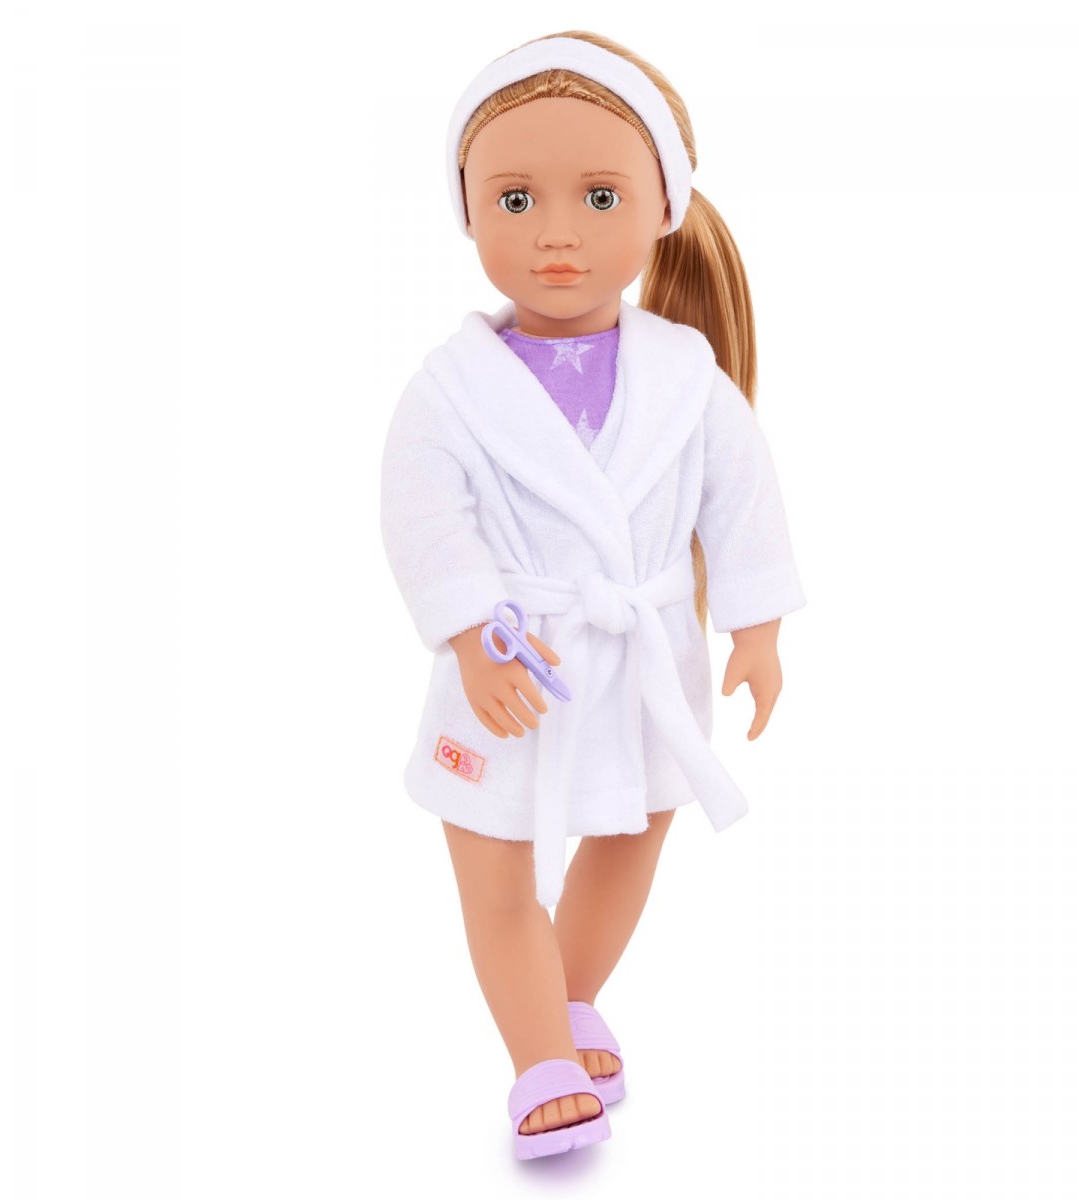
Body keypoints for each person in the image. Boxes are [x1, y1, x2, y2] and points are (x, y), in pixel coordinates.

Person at [379, 30, 807, 1159]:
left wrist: (756, 626)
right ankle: (540, 1061)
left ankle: (563, 1009)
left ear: (664, 208)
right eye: (515, 198)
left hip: (638, 653)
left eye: (599, 195)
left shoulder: (687, 379)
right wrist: (469, 632)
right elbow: (423, 517)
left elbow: (742, 496)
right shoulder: (449, 389)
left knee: (634, 832)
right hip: (509, 661)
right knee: (494, 859)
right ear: (467, 211)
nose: (556, 232)